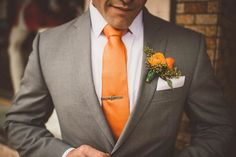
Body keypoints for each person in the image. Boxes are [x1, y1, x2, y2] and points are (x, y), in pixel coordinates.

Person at [4, 0, 234, 157]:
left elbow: (218, 128)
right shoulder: (48, 45)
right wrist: (67, 154)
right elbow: (19, 123)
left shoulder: (188, 45)